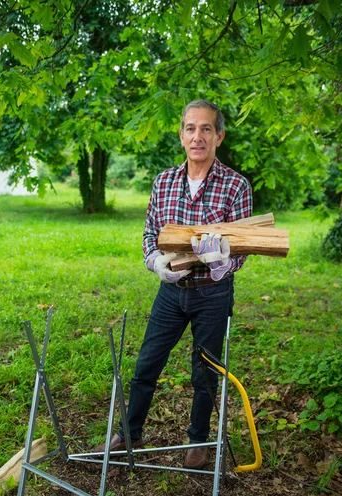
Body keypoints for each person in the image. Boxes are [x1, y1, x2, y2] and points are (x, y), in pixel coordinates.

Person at [95, 99, 253, 469]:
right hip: (171, 292)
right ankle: (129, 434)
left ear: (219, 136)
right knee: (147, 365)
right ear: (181, 135)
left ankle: (197, 441)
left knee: (205, 371)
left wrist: (221, 261)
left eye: (206, 129)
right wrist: (157, 262)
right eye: (190, 128)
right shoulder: (164, 181)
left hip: (213, 294)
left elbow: (244, 249)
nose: (197, 136)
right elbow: (150, 232)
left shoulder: (235, 186)